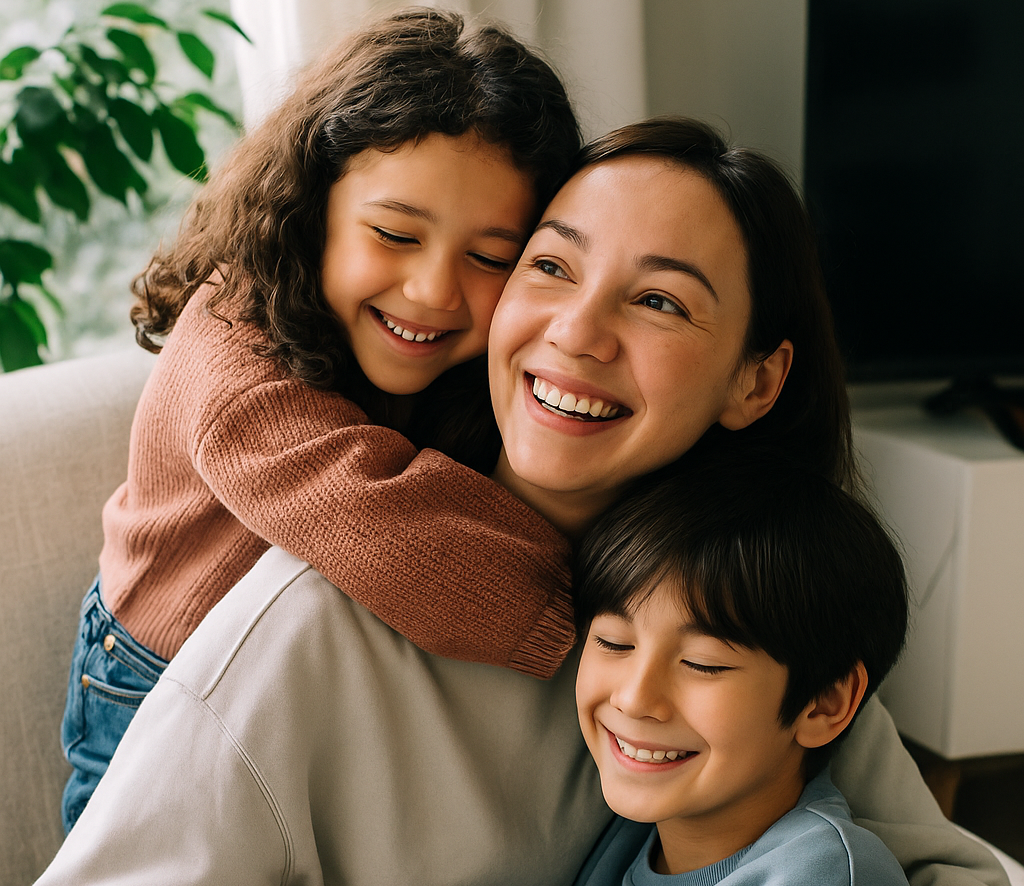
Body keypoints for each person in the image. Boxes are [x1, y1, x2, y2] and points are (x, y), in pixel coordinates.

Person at [35, 118, 1008, 886]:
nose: (576, 332)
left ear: (756, 382)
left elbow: (940, 865)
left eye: (659, 300)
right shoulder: (314, 625)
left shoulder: (755, 601)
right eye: (549, 266)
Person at [59, 7, 582, 834]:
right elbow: (389, 526)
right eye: (395, 234)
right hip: (153, 678)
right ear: (312, 207)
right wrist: (613, 619)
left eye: (490, 258)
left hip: (308, 682)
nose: (435, 293)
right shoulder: (234, 352)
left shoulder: (479, 363)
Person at [571, 453, 911, 884]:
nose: (635, 698)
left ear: (823, 704)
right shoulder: (624, 841)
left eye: (702, 664)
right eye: (613, 643)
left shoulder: (818, 872)